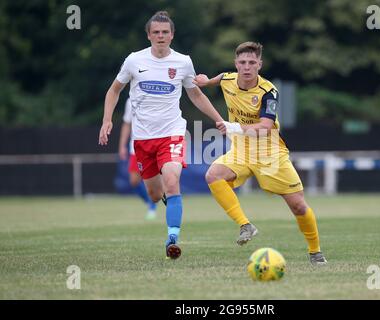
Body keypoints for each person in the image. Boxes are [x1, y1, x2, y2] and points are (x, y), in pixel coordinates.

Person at [99, 11, 223, 259]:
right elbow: (113, 91)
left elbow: (196, 94)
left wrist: (218, 118)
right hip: (143, 139)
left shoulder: (183, 62)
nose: (160, 36)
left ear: (172, 35)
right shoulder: (134, 61)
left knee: (172, 180)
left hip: (172, 133)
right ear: (148, 35)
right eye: (156, 32)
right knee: (155, 195)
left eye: (165, 32)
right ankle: (167, 204)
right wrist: (106, 120)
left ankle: (172, 239)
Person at [193, 41, 327, 266]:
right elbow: (215, 80)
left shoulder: (268, 91)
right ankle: (245, 225)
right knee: (213, 175)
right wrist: (205, 81)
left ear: (259, 65)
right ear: (236, 64)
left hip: (270, 152)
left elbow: (265, 126)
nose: (246, 67)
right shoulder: (227, 78)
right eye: (242, 62)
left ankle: (315, 251)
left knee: (298, 206)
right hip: (242, 150)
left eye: (252, 63)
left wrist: (233, 127)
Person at [118, 98, 158, 220]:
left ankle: (152, 206)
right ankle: (150, 202)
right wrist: (122, 145)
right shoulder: (130, 101)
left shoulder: (156, 97)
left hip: (156, 143)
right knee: (134, 180)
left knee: (154, 180)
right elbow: (127, 123)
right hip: (136, 146)